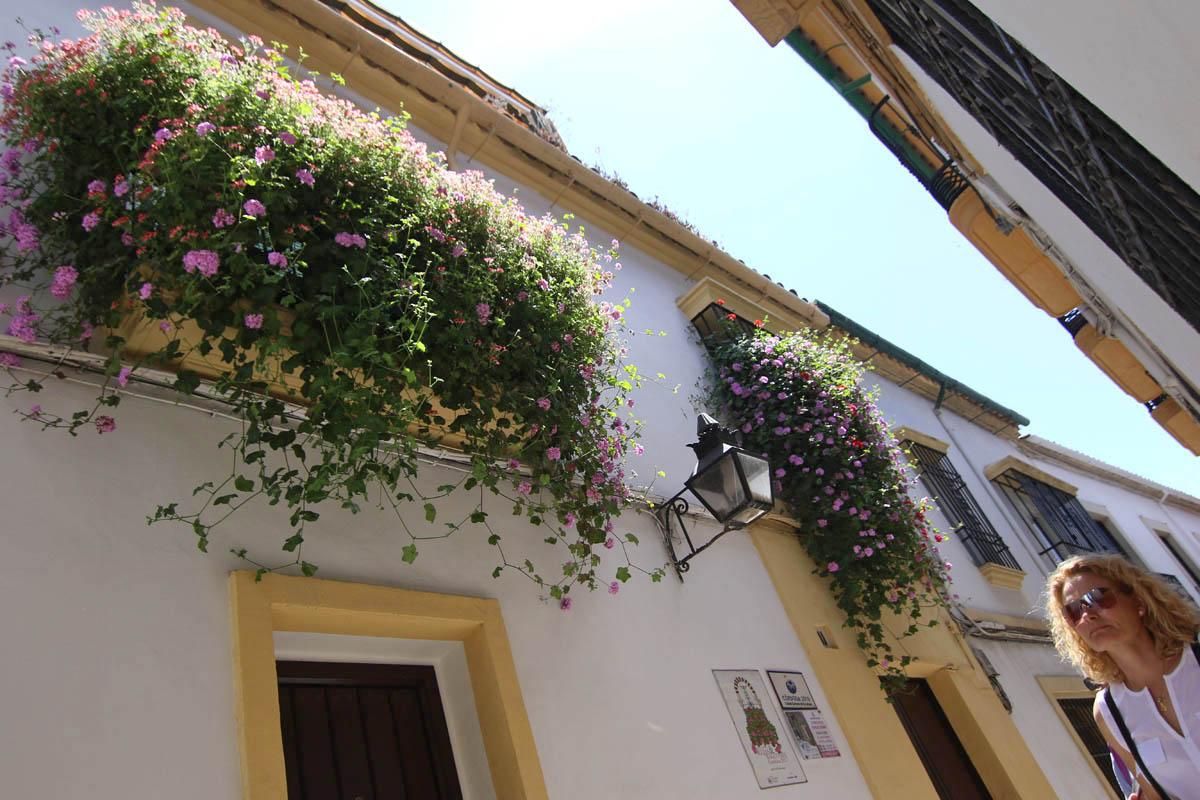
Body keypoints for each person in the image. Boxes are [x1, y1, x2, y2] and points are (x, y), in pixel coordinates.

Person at [1046, 554, 1200, 800]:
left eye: (1097, 597)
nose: (1088, 615)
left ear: (1138, 601)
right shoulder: (1108, 712)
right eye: (1074, 611)